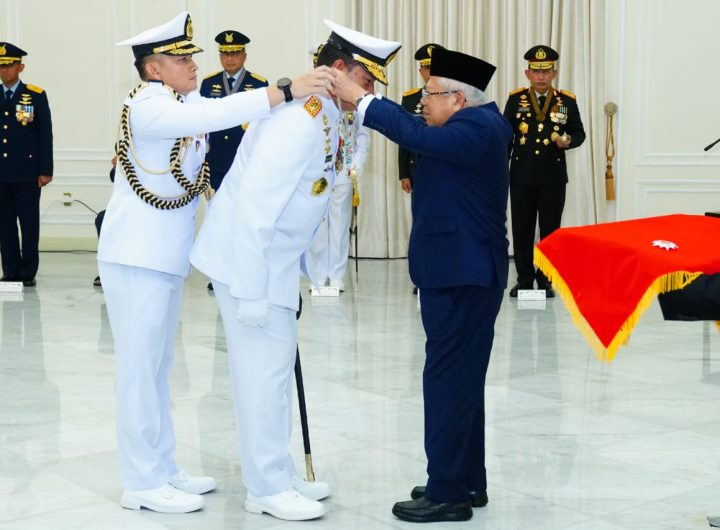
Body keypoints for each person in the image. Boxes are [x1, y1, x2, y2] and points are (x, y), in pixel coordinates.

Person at [97, 11, 334, 514]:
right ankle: (141, 479)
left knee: (158, 367)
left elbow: (223, 112)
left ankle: (162, 466)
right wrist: (288, 90)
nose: (193, 65)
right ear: (154, 69)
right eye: (180, 58)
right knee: (139, 371)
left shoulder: (182, 101)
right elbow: (219, 114)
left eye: (191, 57)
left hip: (164, 258)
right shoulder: (147, 105)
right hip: (136, 255)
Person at [190, 19, 400, 521]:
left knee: (277, 370)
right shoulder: (299, 120)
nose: (369, 94)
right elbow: (255, 208)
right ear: (338, 70)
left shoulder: (325, 112)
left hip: (274, 265)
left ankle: (279, 473)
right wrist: (253, 290)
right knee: (261, 376)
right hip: (248, 265)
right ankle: (264, 488)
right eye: (366, 80)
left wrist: (294, 275)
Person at [333, 47, 512, 523]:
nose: (422, 104)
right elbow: (417, 131)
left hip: (462, 274)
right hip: (464, 271)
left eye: (429, 95)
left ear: (458, 98)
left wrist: (361, 99)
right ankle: (466, 480)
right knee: (463, 381)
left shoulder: (477, 128)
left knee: (446, 381)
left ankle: (446, 492)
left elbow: (411, 133)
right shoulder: (472, 123)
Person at [504, 45, 586, 298]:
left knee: (550, 231)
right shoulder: (516, 100)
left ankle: (546, 279)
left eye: (546, 71)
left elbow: (579, 133)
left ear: (554, 73)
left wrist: (568, 140)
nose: (541, 77)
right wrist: (499, 168)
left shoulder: (566, 101)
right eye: (536, 71)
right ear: (527, 73)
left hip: (553, 176)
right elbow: (505, 137)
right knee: (522, 230)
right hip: (522, 176)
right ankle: (524, 279)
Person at [0, 42, 53, 287]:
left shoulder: (35, 95)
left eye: (9, 65)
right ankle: (10, 271)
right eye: (1, 66)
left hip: (27, 173)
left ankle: (28, 271)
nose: (4, 70)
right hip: (1, 173)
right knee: (5, 225)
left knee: (29, 224)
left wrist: (45, 170)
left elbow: (44, 134)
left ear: (20, 67)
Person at [306, 108, 370, 292]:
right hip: (317, 172)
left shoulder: (355, 105)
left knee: (339, 225)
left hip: (344, 172)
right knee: (318, 226)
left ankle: (336, 275)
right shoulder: (315, 102)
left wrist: (356, 166)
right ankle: (318, 274)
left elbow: (363, 139)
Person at [200, 30, 268, 192]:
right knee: (215, 204)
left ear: (245, 56)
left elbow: (264, 124)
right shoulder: (208, 83)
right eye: (225, 54)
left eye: (235, 53)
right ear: (220, 56)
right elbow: (201, 120)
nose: (230, 59)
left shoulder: (259, 84)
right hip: (216, 160)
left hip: (246, 159)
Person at [398, 43, 444, 195]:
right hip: (417, 168)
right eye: (428, 68)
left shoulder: (453, 98)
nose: (433, 73)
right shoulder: (410, 99)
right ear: (421, 71)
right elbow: (404, 135)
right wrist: (404, 174)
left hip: (446, 167)